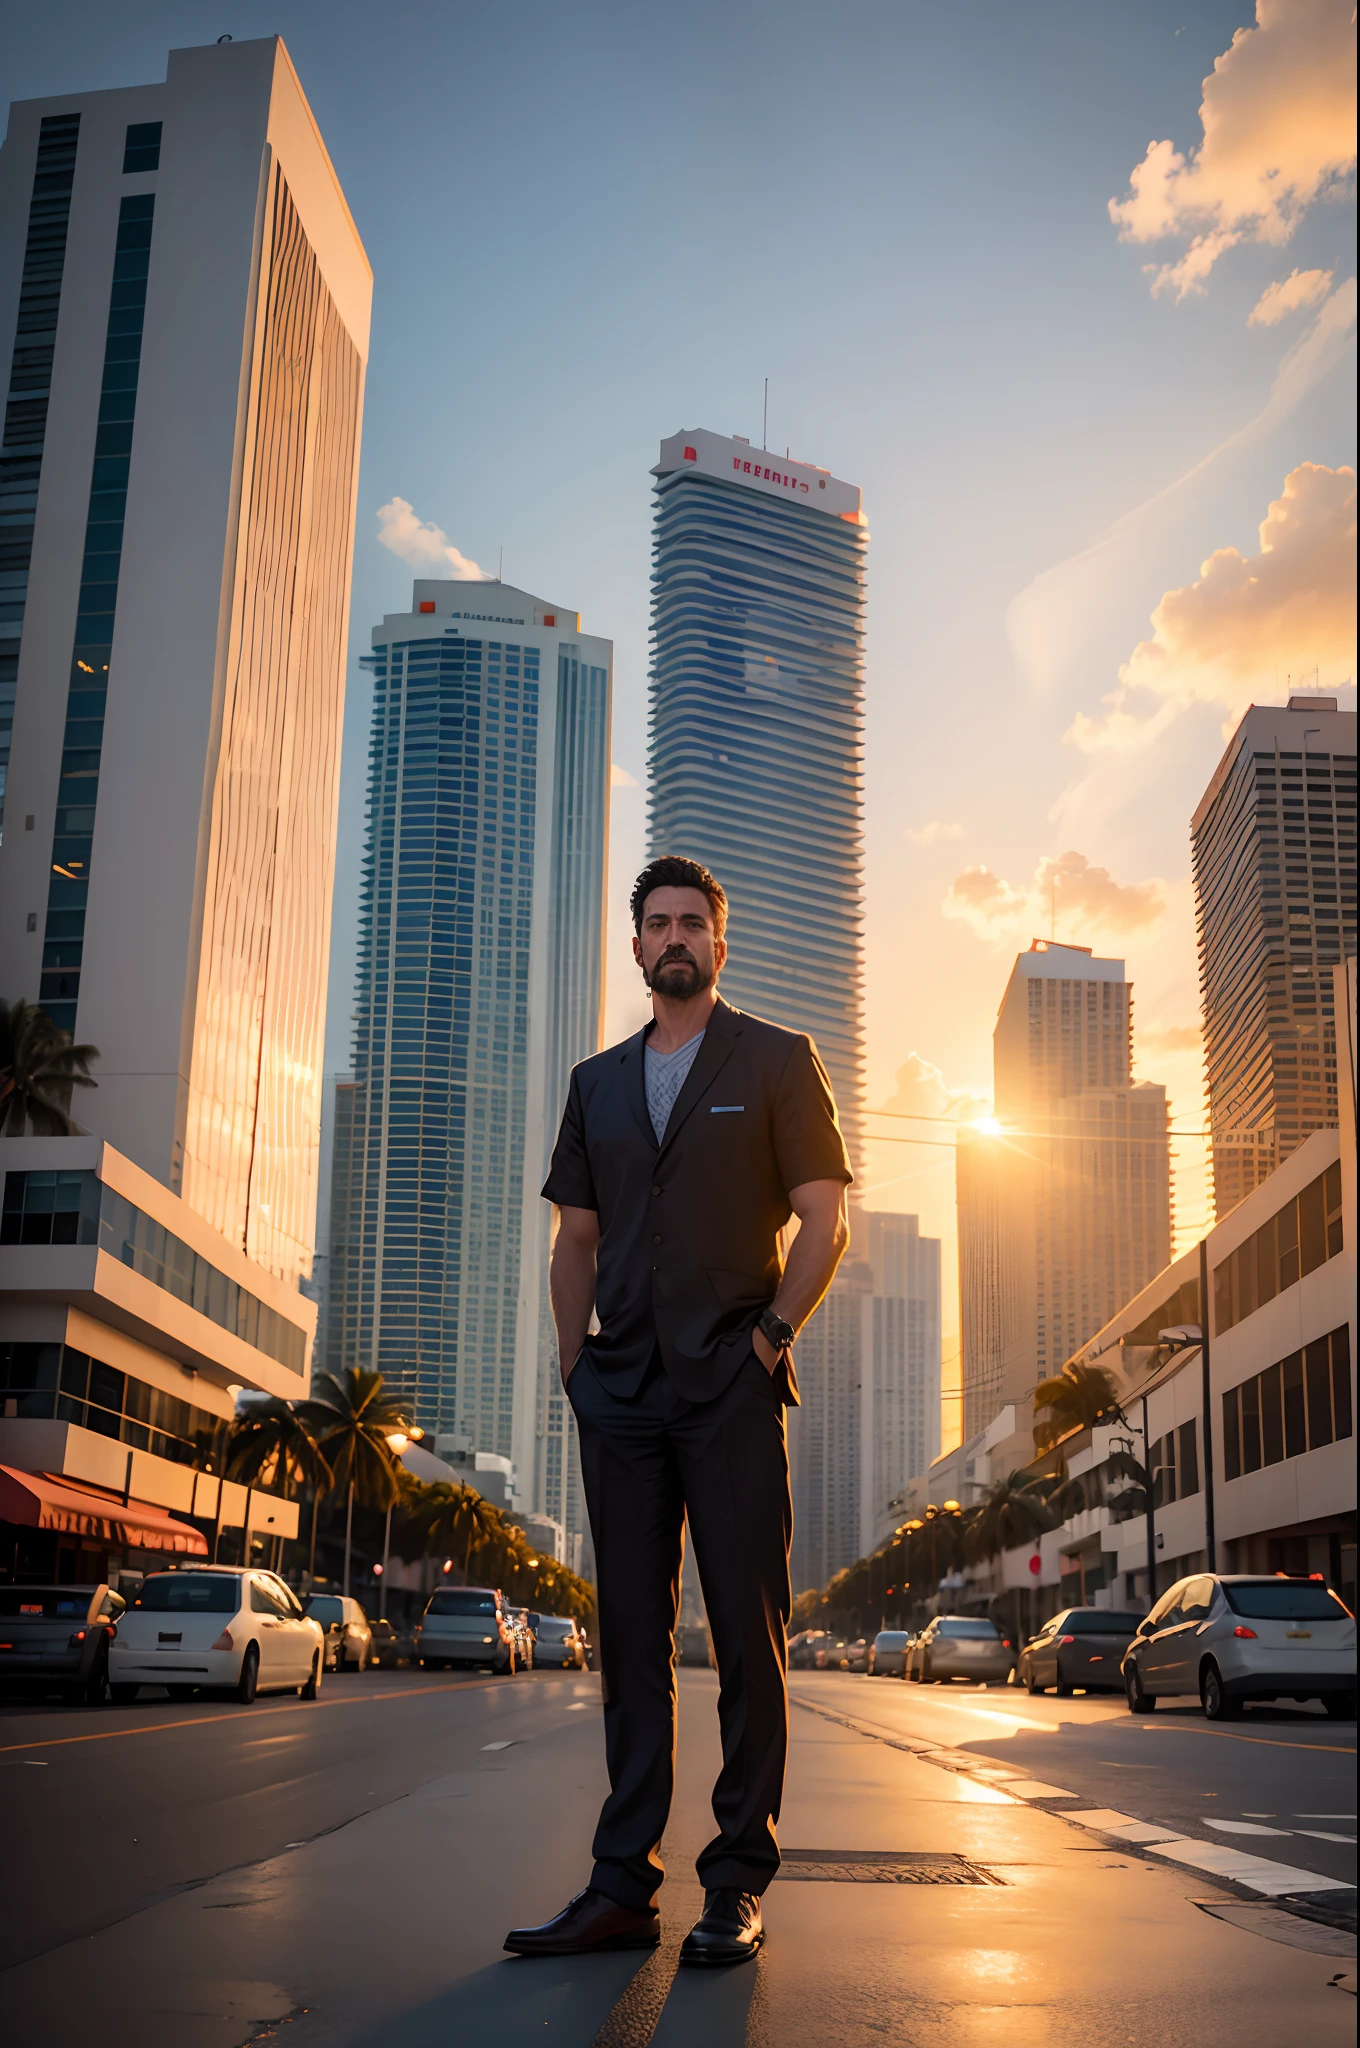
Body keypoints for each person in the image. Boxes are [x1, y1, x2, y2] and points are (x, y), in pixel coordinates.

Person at [504, 854, 851, 1968]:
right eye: (656, 923)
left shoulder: (777, 1058)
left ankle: (736, 1882)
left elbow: (823, 1219)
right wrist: (575, 1369)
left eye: (692, 922)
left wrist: (769, 1340)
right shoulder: (595, 1081)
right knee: (630, 1641)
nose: (673, 938)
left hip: (732, 1390)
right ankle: (620, 1886)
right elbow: (574, 1239)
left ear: (719, 939)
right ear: (636, 943)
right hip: (623, 1396)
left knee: (748, 1640)